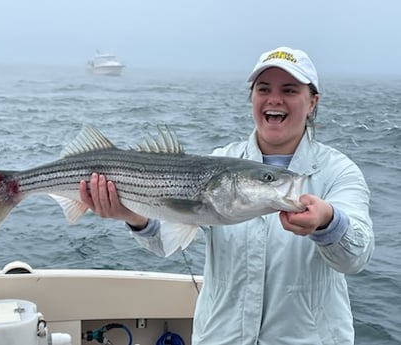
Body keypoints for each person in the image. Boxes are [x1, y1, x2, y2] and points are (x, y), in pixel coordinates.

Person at [79, 46, 374, 345]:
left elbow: (356, 257)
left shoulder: (339, 172)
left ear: (312, 102)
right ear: (252, 98)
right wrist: (133, 216)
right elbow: (166, 239)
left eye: (289, 89)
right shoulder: (217, 163)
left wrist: (328, 223)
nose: (274, 99)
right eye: (263, 89)